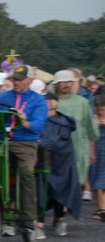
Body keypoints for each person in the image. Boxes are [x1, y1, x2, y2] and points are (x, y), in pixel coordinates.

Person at [0, 65, 48, 234]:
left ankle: (28, 217)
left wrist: (25, 121)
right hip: (2, 140)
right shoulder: (3, 97)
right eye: (14, 78)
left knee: (26, 171)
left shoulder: (38, 100)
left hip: (25, 141)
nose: (16, 82)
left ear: (30, 80)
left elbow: (38, 126)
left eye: (20, 79)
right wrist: (1, 117)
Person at [35, 92, 81, 239]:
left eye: (47, 100)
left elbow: (62, 141)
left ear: (54, 102)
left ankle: (59, 220)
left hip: (61, 163)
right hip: (41, 161)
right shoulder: (38, 120)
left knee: (60, 191)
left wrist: (43, 143)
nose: (45, 103)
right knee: (41, 191)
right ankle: (39, 223)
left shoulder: (63, 122)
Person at [51, 70, 99, 202]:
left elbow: (90, 128)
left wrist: (91, 151)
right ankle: (61, 206)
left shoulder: (82, 102)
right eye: (62, 82)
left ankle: (67, 203)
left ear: (72, 83)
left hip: (79, 147)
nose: (66, 85)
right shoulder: (51, 103)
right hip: (58, 147)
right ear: (56, 84)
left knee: (77, 175)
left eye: (68, 82)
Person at [89, 95, 105, 221]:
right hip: (97, 150)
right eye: (99, 109)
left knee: (102, 180)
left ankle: (102, 208)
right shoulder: (93, 118)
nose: (101, 112)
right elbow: (90, 137)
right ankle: (101, 208)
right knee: (96, 180)